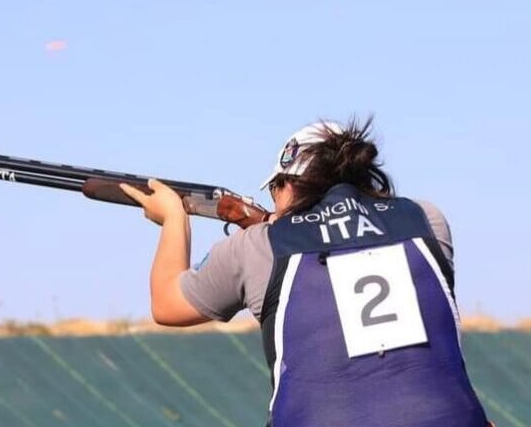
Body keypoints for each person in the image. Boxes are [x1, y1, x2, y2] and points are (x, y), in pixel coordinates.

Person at [120, 119, 490, 427]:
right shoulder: (427, 220)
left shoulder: (258, 247)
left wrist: (173, 219)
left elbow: (167, 304)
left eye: (276, 188)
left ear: (291, 186)